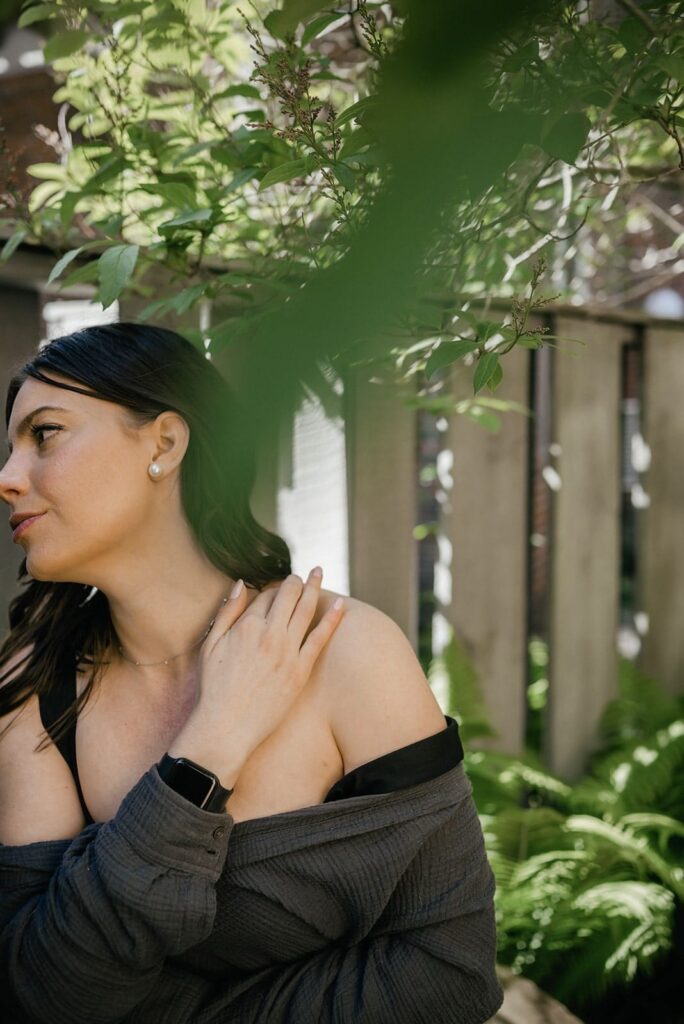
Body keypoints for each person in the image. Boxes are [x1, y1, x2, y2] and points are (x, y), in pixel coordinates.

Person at [0, 322, 504, 1024]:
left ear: (164, 444)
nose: (7, 478)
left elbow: (450, 974)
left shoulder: (346, 653)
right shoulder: (39, 690)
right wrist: (208, 747)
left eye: (45, 434)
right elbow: (46, 992)